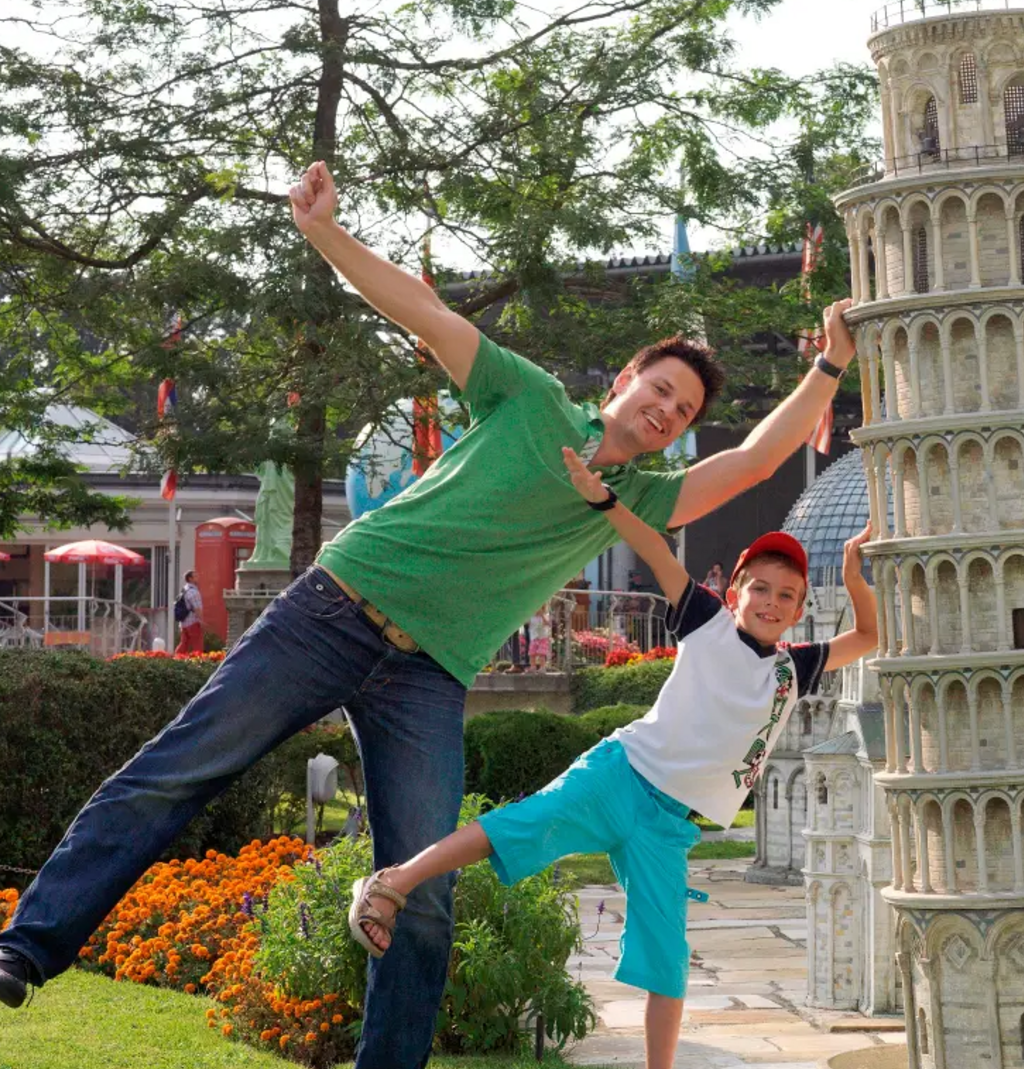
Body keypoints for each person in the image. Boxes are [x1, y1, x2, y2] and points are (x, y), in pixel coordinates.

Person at [0, 159, 857, 1069]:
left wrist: (829, 363)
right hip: (334, 610)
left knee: (422, 890)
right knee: (179, 769)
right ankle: (27, 945)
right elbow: (426, 315)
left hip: (429, 674)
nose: (668, 411)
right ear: (623, 383)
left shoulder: (644, 494)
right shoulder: (528, 396)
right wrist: (324, 234)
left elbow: (756, 459)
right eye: (659, 389)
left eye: (685, 409)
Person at [344, 446, 876, 1069]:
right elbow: (653, 547)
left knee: (668, 961)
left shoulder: (794, 667)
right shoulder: (704, 622)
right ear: (733, 591)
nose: (771, 602)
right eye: (759, 587)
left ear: (798, 607)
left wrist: (854, 576)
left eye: (787, 595)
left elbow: (867, 637)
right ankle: (391, 883)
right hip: (620, 776)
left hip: (668, 828)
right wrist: (603, 499)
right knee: (513, 828)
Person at [171, 571, 204, 655]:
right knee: (197, 645)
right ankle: (199, 662)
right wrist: (201, 621)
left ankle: (176, 660)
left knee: (184, 644)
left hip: (183, 623)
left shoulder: (184, 589)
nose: (198, 578)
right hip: (193, 622)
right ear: (190, 579)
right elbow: (197, 609)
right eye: (195, 576)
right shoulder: (193, 592)